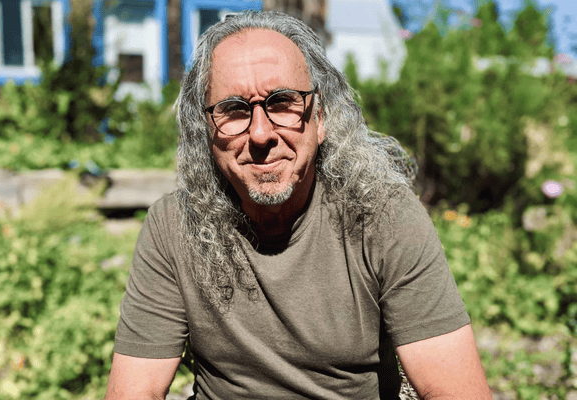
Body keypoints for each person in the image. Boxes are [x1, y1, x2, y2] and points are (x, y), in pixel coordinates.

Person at [105, 11, 492, 400]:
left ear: (319, 118)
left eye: (282, 103)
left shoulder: (382, 215)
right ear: (205, 132)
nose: (261, 134)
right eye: (234, 109)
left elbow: (457, 392)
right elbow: (134, 391)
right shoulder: (175, 225)